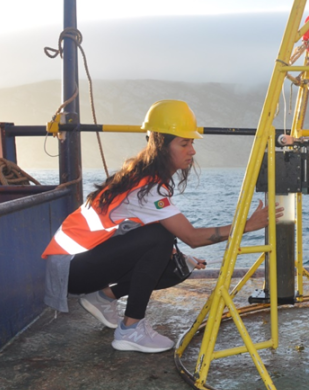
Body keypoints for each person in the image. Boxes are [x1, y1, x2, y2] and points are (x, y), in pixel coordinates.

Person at [42, 100, 281, 353]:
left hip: (81, 264)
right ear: (161, 145)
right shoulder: (149, 187)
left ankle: (102, 298)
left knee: (176, 266)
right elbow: (191, 236)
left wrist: (178, 255)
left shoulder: (144, 176)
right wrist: (247, 225)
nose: (192, 151)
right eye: (184, 143)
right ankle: (131, 329)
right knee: (160, 237)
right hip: (70, 271)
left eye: (192, 143)